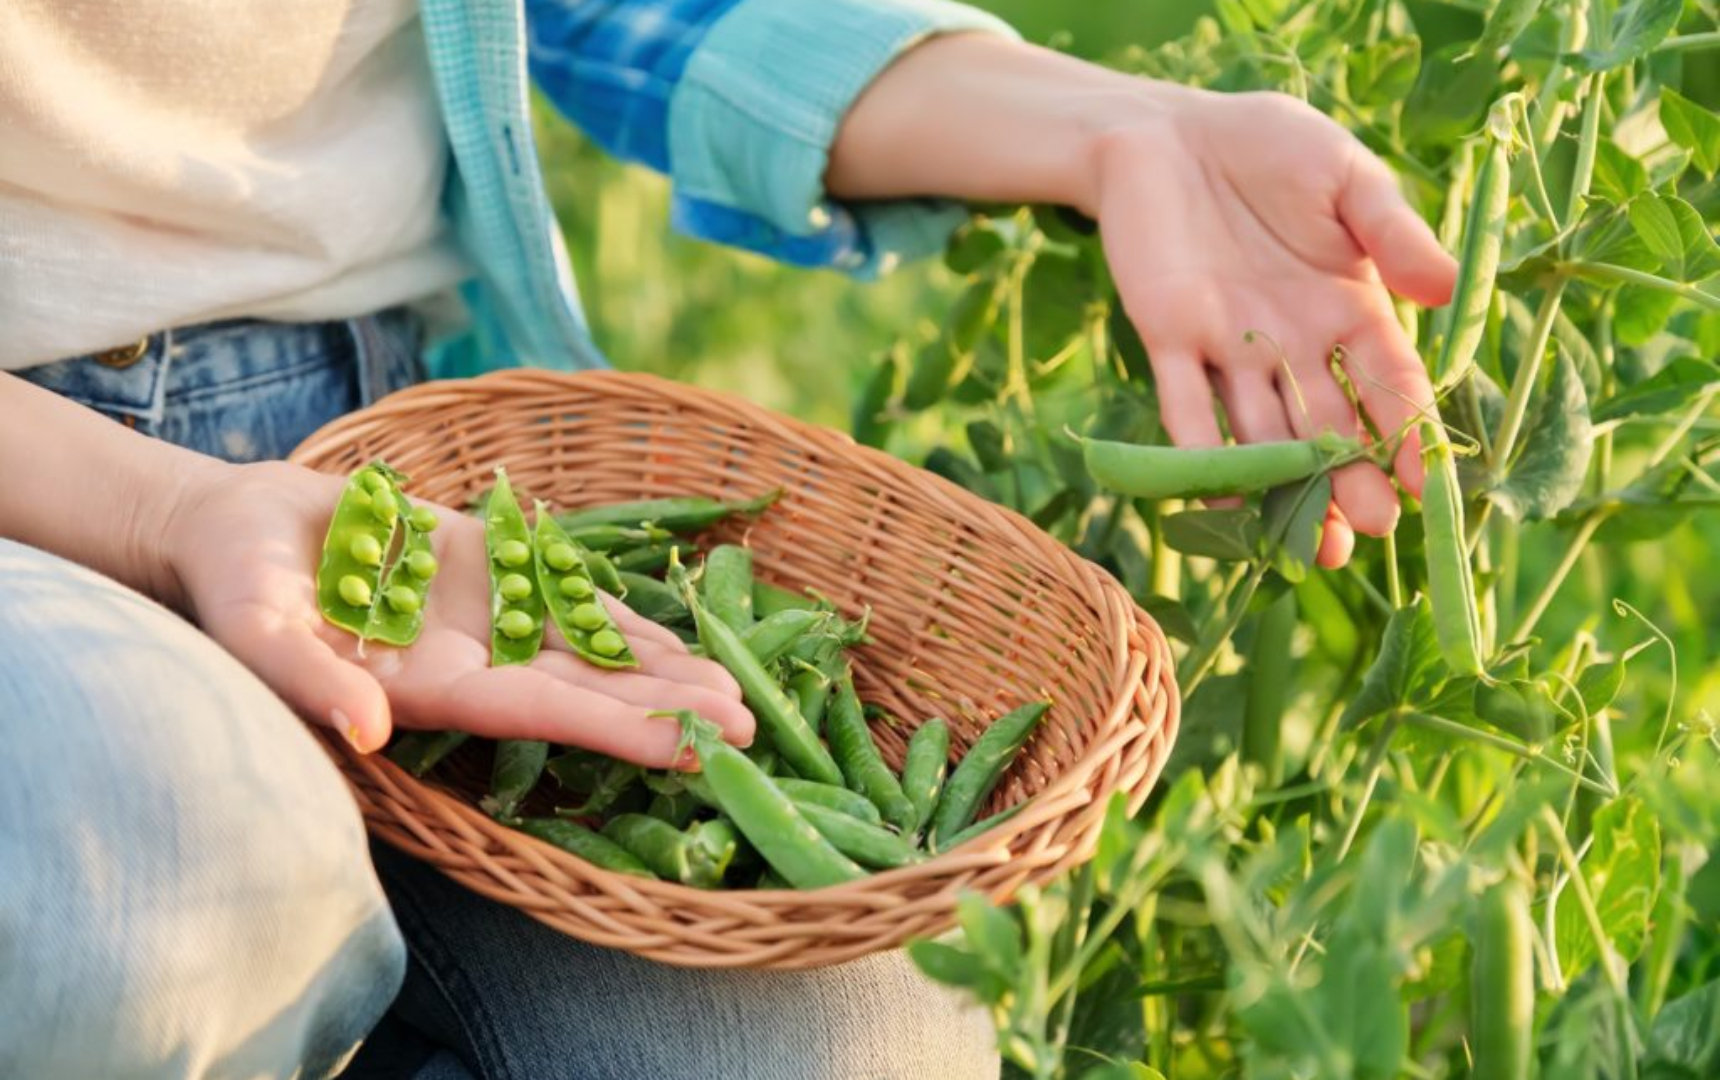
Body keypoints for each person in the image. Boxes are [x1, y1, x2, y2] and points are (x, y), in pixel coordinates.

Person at [0, 1, 1457, 1077]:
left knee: (852, 1047)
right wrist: (161, 507)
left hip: (395, 451)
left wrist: (1116, 126)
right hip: (31, 481)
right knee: (148, 896)